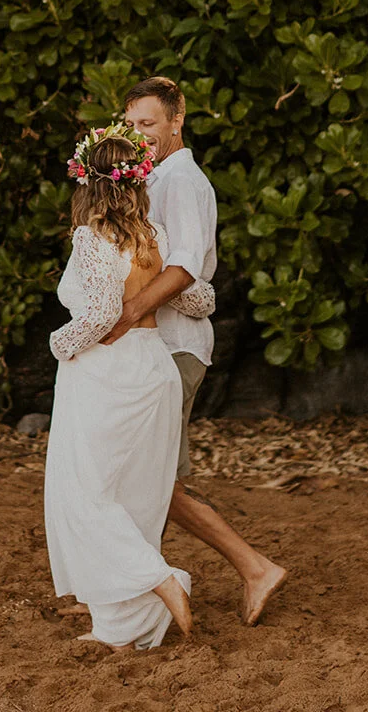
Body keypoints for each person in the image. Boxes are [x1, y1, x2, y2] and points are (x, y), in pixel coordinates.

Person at [103, 76, 288, 626]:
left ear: (177, 121)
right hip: (157, 345)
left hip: (177, 347)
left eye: (150, 124)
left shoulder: (182, 181)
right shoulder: (152, 178)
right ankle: (147, 593)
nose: (139, 135)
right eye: (131, 125)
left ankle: (249, 568)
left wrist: (130, 314)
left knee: (153, 477)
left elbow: (183, 268)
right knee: (154, 476)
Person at [43, 127, 217, 650]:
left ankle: (159, 579)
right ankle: (121, 628)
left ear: (87, 184)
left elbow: (98, 314)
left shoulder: (91, 238)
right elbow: (200, 298)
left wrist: (58, 343)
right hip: (154, 368)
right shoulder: (157, 237)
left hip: (108, 374)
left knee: (86, 494)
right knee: (136, 496)